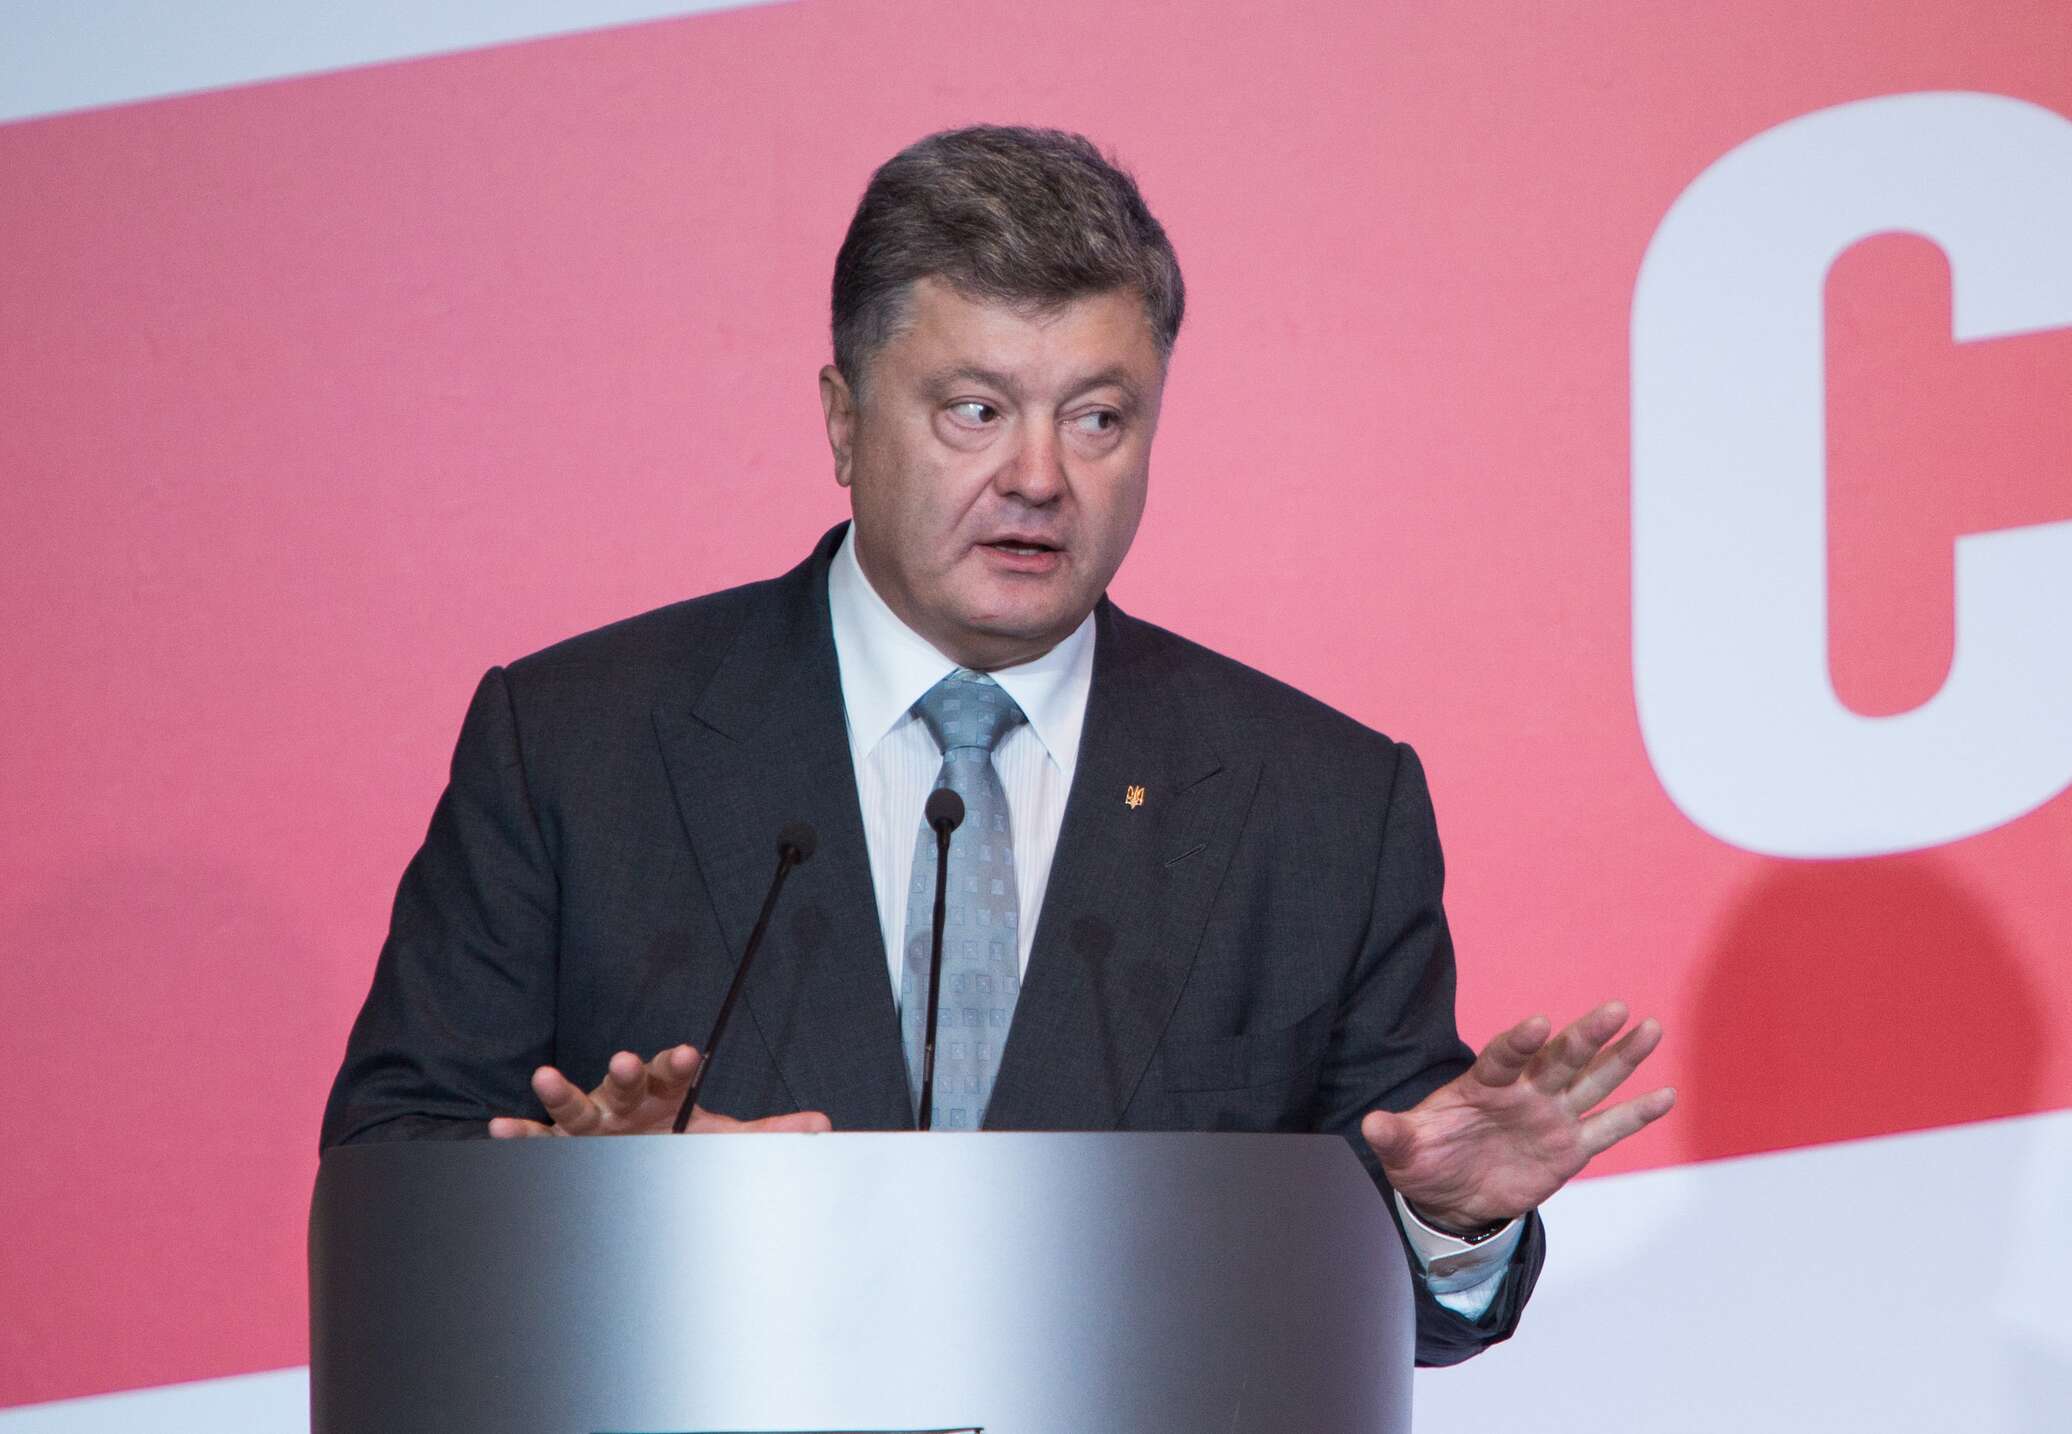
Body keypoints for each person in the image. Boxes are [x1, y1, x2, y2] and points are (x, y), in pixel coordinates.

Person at [321, 125, 1673, 1366]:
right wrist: (590, 1199)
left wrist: (1447, 1221)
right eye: (975, 409)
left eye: (1099, 418)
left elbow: (1386, 1285)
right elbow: (389, 1167)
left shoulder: (1320, 803)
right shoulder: (576, 745)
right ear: (843, 419)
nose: (1040, 477)